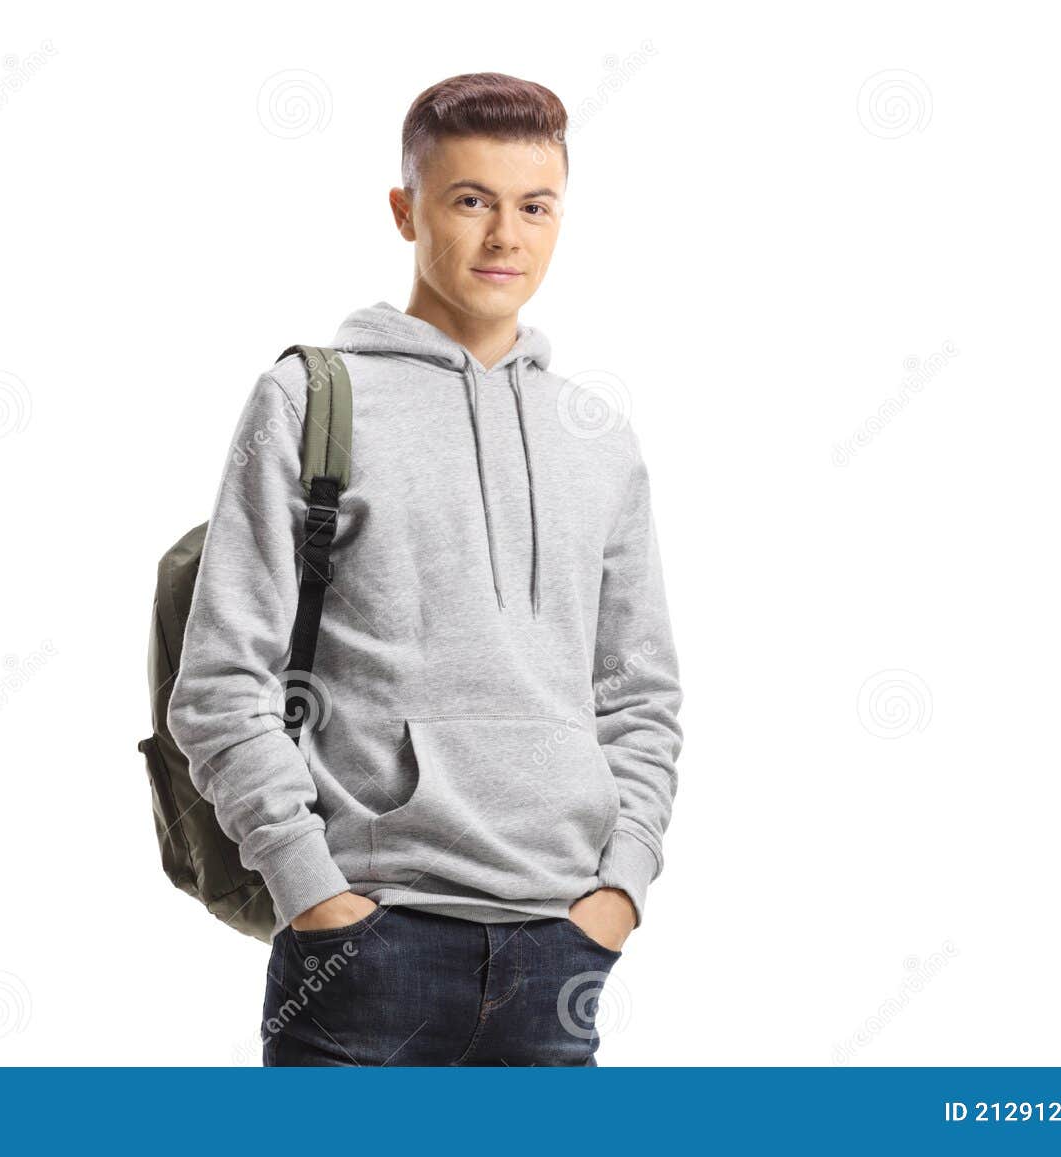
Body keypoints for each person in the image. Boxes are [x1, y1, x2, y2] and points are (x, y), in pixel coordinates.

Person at [169, 71, 683, 1066]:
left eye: (534, 206)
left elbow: (640, 697)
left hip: (561, 955)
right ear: (405, 209)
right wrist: (312, 889)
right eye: (470, 200)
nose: (505, 237)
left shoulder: (598, 440)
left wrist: (618, 893)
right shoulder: (309, 399)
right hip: (367, 949)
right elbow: (221, 680)